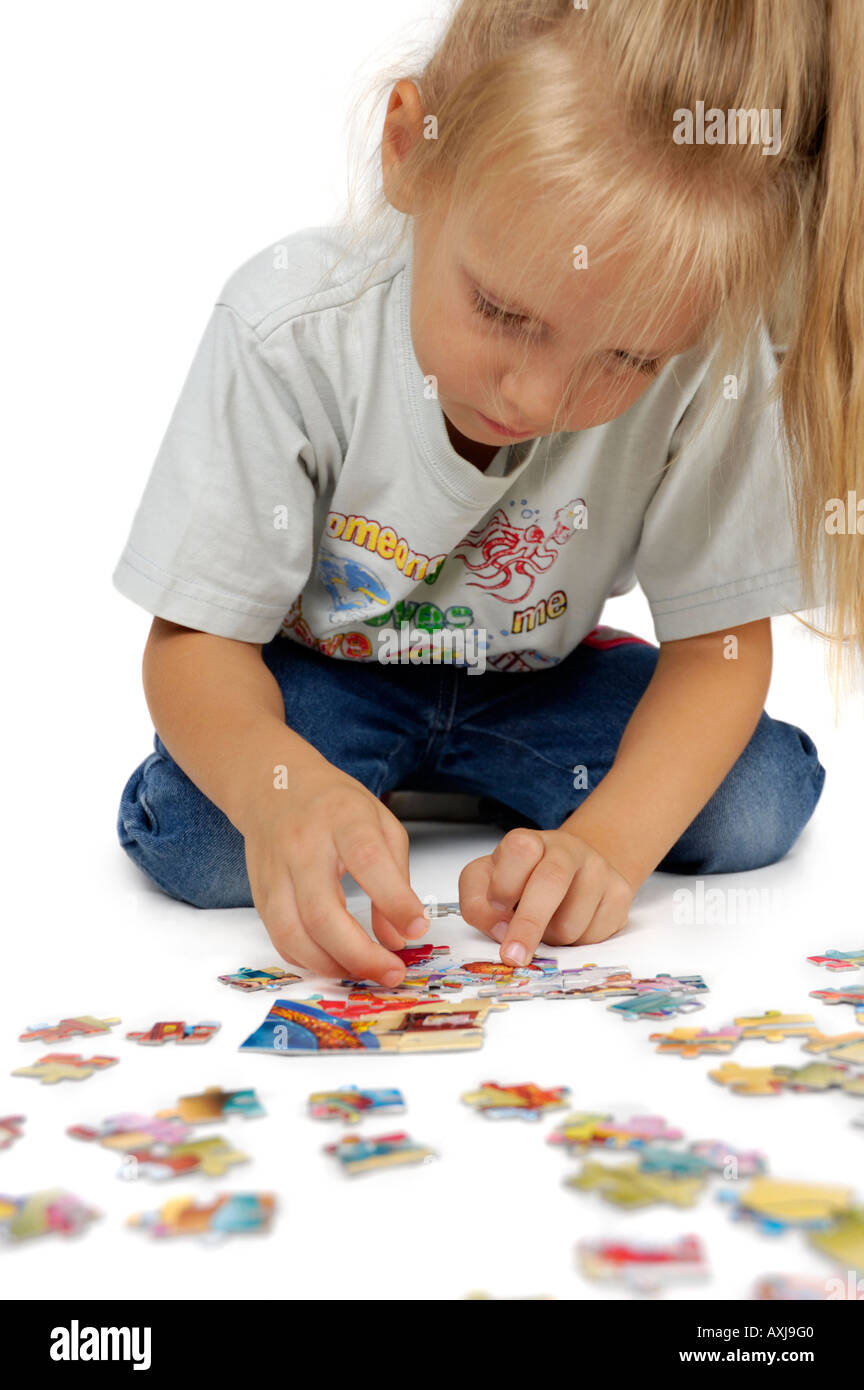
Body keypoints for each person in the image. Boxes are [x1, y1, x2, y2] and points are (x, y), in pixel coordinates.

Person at [114, 1, 862, 986]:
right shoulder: (287, 330)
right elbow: (193, 645)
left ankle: (477, 790)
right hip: (333, 681)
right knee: (204, 841)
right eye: (506, 312)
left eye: (628, 358)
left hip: (541, 685)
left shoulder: (703, 363)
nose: (542, 398)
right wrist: (281, 791)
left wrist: (607, 846)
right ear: (410, 152)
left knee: (759, 797)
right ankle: (380, 790)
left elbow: (720, 651)